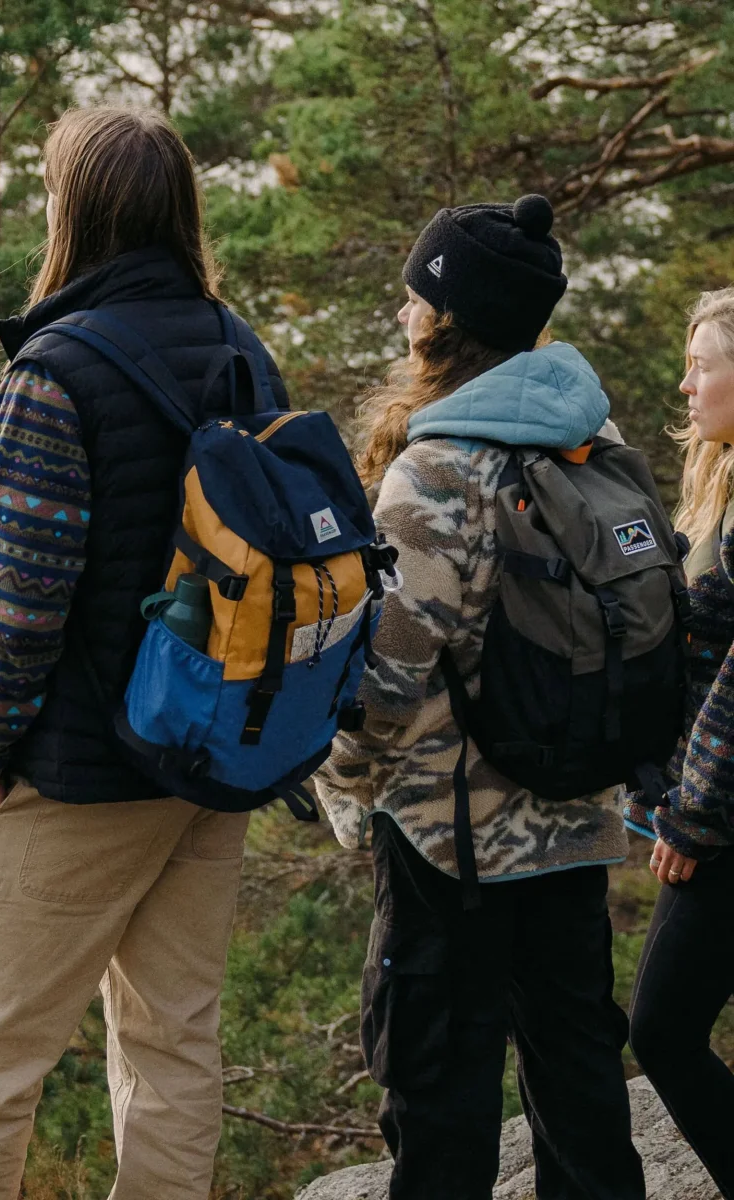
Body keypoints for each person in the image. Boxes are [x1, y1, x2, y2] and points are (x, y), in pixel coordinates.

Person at [0, 105, 288, 1200]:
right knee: (175, 1048)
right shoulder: (244, 352)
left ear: (71, 210)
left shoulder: (54, 371)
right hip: (207, 762)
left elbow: (20, 602)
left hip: (73, 776)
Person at [314, 195, 646, 1200]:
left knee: (441, 1103)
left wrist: (337, 782)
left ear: (445, 319)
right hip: (580, 819)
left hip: (447, 843)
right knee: (582, 1089)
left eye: (417, 292)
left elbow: (385, 678)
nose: (404, 306)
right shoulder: (596, 438)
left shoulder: (436, 471)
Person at [626, 287, 734, 1199]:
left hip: (724, 816)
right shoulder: (719, 483)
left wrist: (690, 815)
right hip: (713, 805)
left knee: (661, 1028)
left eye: (703, 363)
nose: (685, 382)